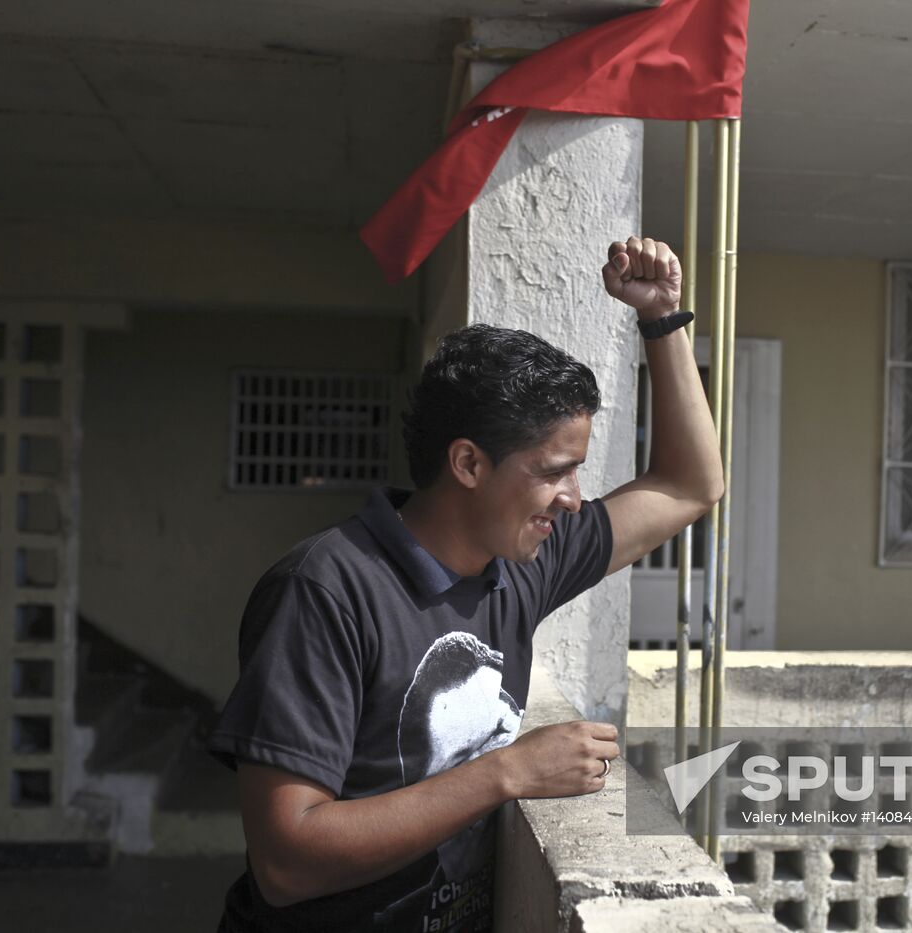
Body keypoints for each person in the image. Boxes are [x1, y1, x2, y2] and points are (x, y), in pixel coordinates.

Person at [207, 236, 723, 932]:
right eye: (552, 470)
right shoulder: (326, 590)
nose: (573, 497)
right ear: (469, 463)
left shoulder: (519, 562)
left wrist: (662, 319)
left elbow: (690, 485)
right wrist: (508, 772)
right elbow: (286, 861)